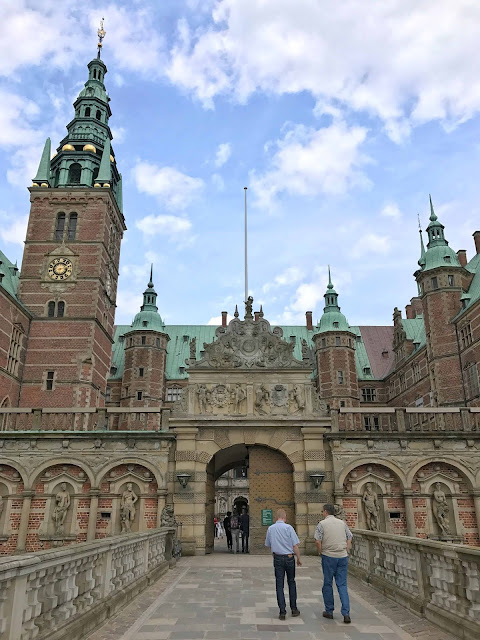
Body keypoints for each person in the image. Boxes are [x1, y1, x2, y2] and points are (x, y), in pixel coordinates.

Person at [314, 503, 353, 624]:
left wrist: (320, 552)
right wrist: (346, 548)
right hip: (342, 556)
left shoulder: (322, 524)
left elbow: (317, 540)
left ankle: (329, 611)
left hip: (329, 556)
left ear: (325, 512)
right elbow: (349, 536)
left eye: (322, 511)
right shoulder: (342, 523)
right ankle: (346, 613)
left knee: (327, 583)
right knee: (342, 585)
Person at [264, 508, 302, 621]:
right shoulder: (289, 528)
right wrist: (298, 558)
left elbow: (268, 544)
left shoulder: (271, 528)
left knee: (279, 585)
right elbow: (295, 545)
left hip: (277, 558)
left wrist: (274, 553)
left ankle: (282, 611)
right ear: (284, 518)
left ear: (276, 517)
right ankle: (294, 609)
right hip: (289, 557)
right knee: (291, 582)